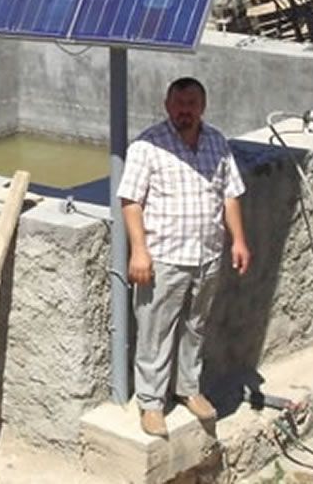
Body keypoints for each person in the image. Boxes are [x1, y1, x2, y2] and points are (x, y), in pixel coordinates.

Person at [117, 77, 251, 438]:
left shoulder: (217, 143)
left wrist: (239, 240)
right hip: (165, 257)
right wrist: (139, 251)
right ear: (167, 106)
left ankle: (188, 388)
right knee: (155, 331)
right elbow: (131, 201)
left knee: (196, 325)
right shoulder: (147, 146)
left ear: (202, 107)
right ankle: (151, 402)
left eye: (191, 103)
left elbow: (230, 195)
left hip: (207, 255)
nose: (184, 110)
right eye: (178, 104)